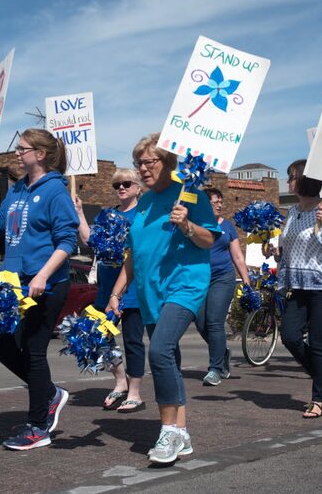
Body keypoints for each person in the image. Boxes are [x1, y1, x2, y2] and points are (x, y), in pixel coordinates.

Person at [105, 133, 219, 463]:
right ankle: (181, 432)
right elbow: (135, 254)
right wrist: (117, 291)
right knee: (169, 359)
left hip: (185, 284)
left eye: (148, 162)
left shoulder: (189, 191)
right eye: (138, 163)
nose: (142, 169)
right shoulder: (144, 204)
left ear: (167, 162)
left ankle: (168, 431)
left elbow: (210, 239)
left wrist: (187, 226)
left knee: (159, 350)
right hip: (150, 292)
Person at [0, 128, 78, 450]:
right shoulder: (18, 188)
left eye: (22, 148)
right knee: (3, 348)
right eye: (18, 148)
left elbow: (67, 242)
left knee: (34, 352)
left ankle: (38, 427)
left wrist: (43, 275)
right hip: (13, 284)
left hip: (44, 284)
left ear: (40, 155)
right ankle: (49, 393)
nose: (17, 153)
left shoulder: (55, 192)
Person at [75, 168, 146, 412]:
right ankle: (120, 380)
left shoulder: (142, 214)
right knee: (97, 334)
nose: (121, 188)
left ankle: (135, 393)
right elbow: (90, 241)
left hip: (132, 285)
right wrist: (80, 214)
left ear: (138, 187)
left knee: (132, 339)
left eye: (126, 183)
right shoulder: (108, 214)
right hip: (106, 286)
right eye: (117, 185)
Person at [276, 160, 322, 418]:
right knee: (290, 336)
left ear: (303, 179)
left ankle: (318, 400)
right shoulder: (292, 212)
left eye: (291, 177)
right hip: (298, 283)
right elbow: (287, 246)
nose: (288, 181)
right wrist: (276, 251)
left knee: (317, 339)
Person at [196, 187, 251, 386]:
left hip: (223, 278)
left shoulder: (227, 226)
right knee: (200, 322)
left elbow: (237, 255)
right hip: (200, 279)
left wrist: (245, 280)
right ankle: (222, 352)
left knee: (214, 321)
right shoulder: (195, 226)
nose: (219, 205)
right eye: (214, 202)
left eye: (220, 201)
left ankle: (215, 369)